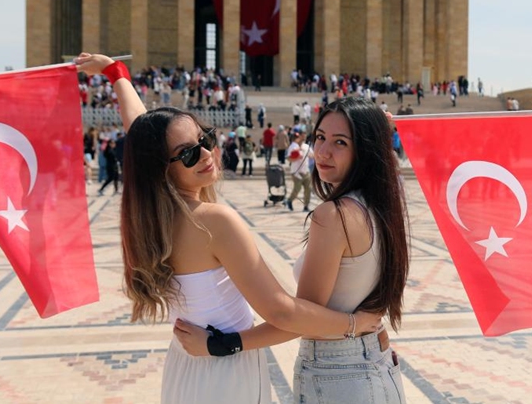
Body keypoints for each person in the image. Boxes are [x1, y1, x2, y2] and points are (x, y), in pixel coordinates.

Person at [75, 53, 381, 403]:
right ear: (162, 168)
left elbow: (141, 130)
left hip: (186, 365)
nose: (206, 154)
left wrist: (117, 75)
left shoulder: (154, 217)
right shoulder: (213, 221)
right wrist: (355, 325)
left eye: (206, 139)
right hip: (225, 368)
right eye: (189, 154)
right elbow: (281, 311)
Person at [174, 97, 410, 404]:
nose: (322, 152)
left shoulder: (334, 215)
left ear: (365, 149)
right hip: (381, 365)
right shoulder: (388, 201)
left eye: (340, 142)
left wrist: (220, 345)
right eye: (321, 137)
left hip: (339, 374)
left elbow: (298, 318)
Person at [284, 131, 311, 212]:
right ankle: (289, 200)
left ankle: (306, 206)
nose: (303, 138)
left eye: (304, 136)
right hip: (296, 172)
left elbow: (312, 155)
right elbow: (289, 158)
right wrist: (297, 158)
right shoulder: (293, 147)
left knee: (308, 189)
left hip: (306, 171)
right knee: (297, 189)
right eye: (300, 136)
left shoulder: (306, 146)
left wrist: (311, 155)